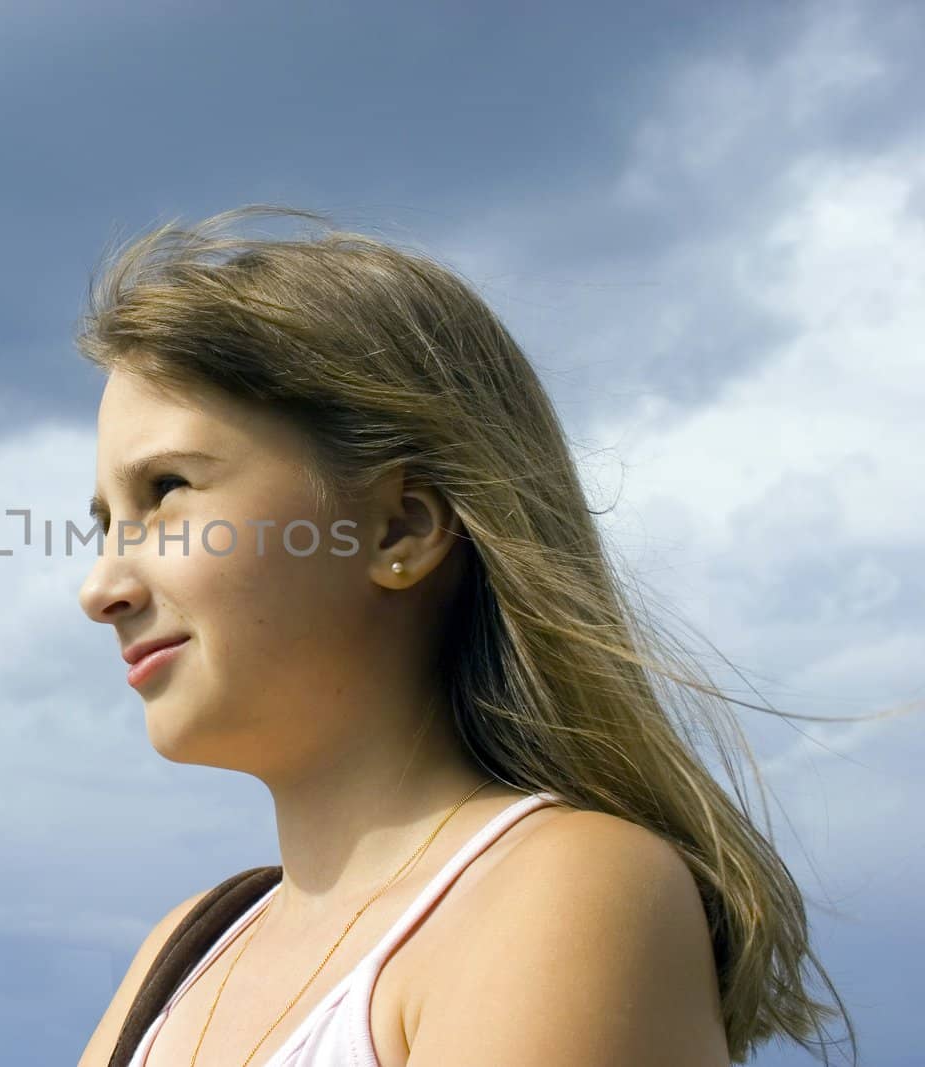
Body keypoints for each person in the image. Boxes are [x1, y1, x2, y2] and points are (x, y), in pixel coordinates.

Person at [72, 206, 856, 1066]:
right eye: (108, 522)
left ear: (401, 528)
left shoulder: (560, 891)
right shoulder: (183, 953)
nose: (100, 587)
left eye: (170, 489)